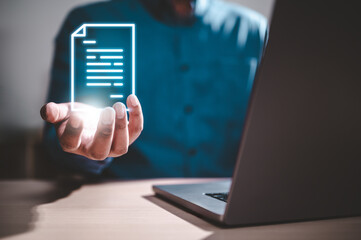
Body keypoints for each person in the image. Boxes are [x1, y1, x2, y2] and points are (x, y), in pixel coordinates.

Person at [40, 0, 268, 178]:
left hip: (230, 201)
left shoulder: (253, 31)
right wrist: (86, 149)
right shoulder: (91, 24)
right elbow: (59, 143)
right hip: (124, 203)